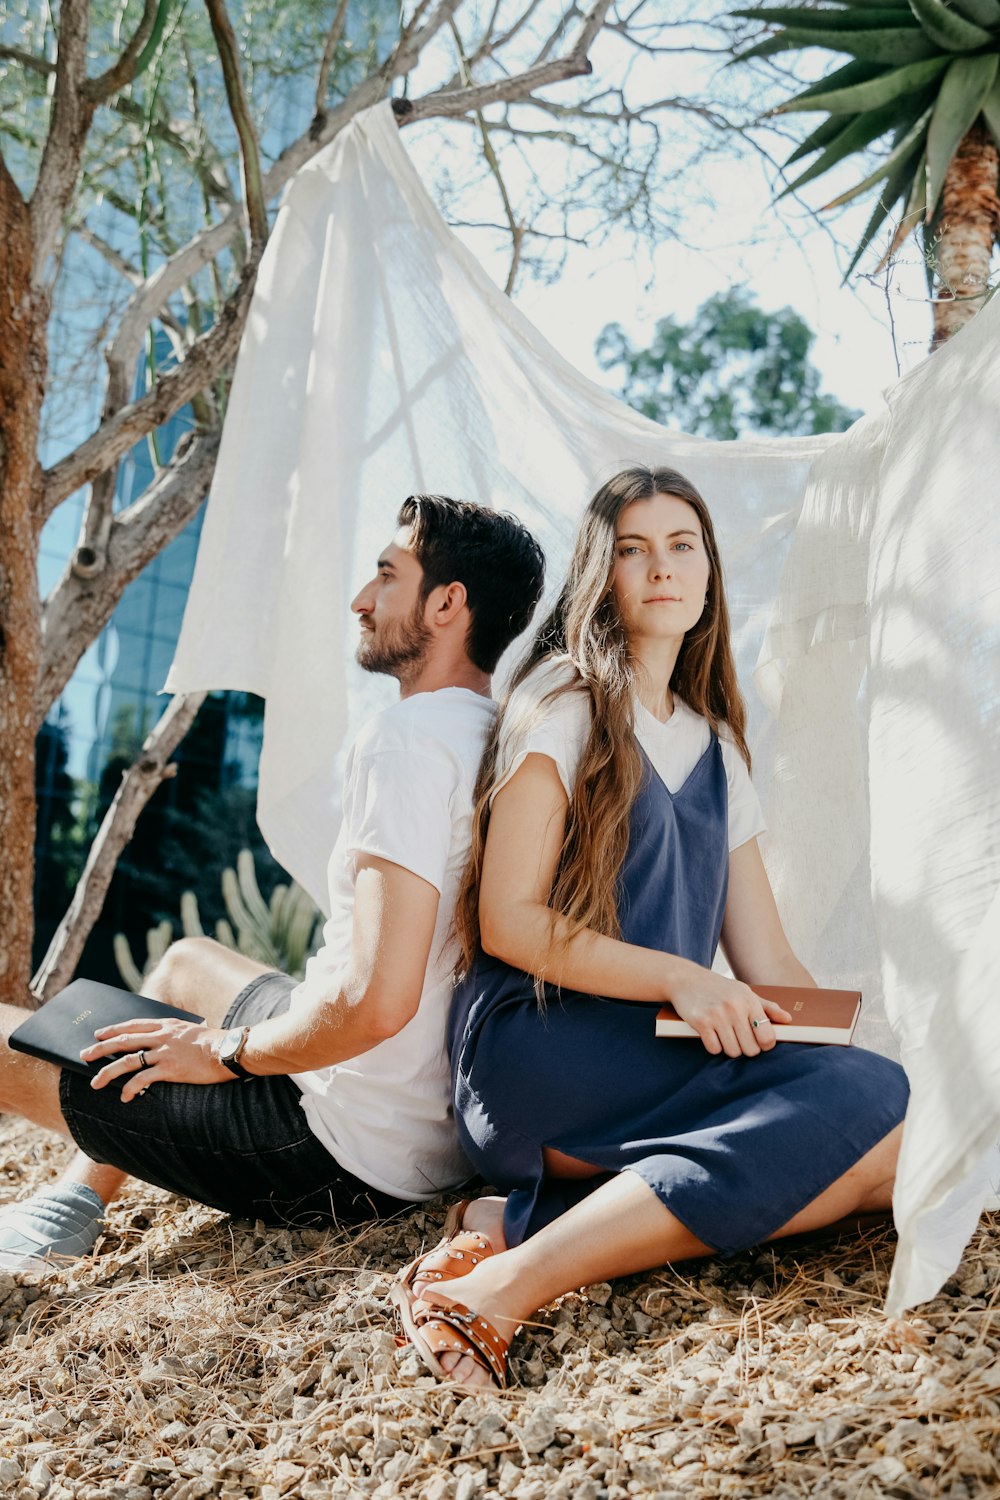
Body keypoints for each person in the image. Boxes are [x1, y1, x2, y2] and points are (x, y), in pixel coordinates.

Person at [394, 465, 909, 1391]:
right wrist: (680, 978)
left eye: (682, 547)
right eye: (633, 550)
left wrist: (849, 1032)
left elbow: (767, 960)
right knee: (864, 1106)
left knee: (892, 1139)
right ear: (604, 574)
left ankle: (514, 1226)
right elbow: (508, 922)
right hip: (537, 1047)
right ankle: (505, 1288)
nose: (661, 568)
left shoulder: (717, 747)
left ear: (709, 574)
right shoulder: (563, 700)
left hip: (658, 1048)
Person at [0, 494, 545, 1272]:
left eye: (387, 577)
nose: (362, 598)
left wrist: (224, 1052)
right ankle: (77, 1198)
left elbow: (377, 1002)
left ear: (448, 604)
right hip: (434, 1132)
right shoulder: (498, 734)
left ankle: (74, 1200)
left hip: (338, 1149)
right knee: (187, 960)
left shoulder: (408, 742)